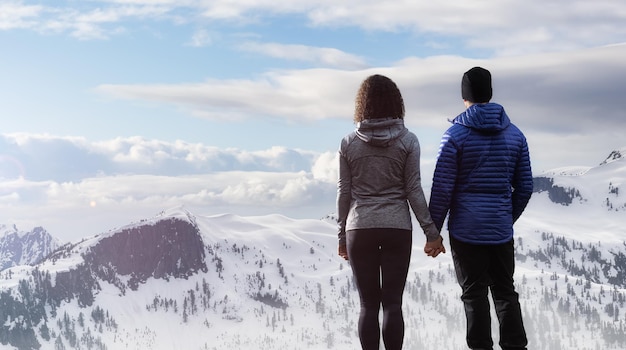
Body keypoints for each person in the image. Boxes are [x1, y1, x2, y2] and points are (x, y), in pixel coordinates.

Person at [337, 74, 445, 350]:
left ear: (362, 105)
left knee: (368, 305)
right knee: (393, 304)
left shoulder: (348, 143)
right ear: (397, 103)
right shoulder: (409, 141)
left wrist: (341, 237)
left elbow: (344, 193)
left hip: (359, 227)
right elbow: (413, 190)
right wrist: (431, 234)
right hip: (397, 226)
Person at [428, 66, 533, 350]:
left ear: (465, 97)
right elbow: (524, 187)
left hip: (466, 229)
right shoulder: (515, 135)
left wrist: (433, 232)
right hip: (500, 230)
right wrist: (505, 218)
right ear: (490, 93)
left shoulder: (454, 136)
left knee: (473, 295)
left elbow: (442, 189)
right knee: (505, 291)